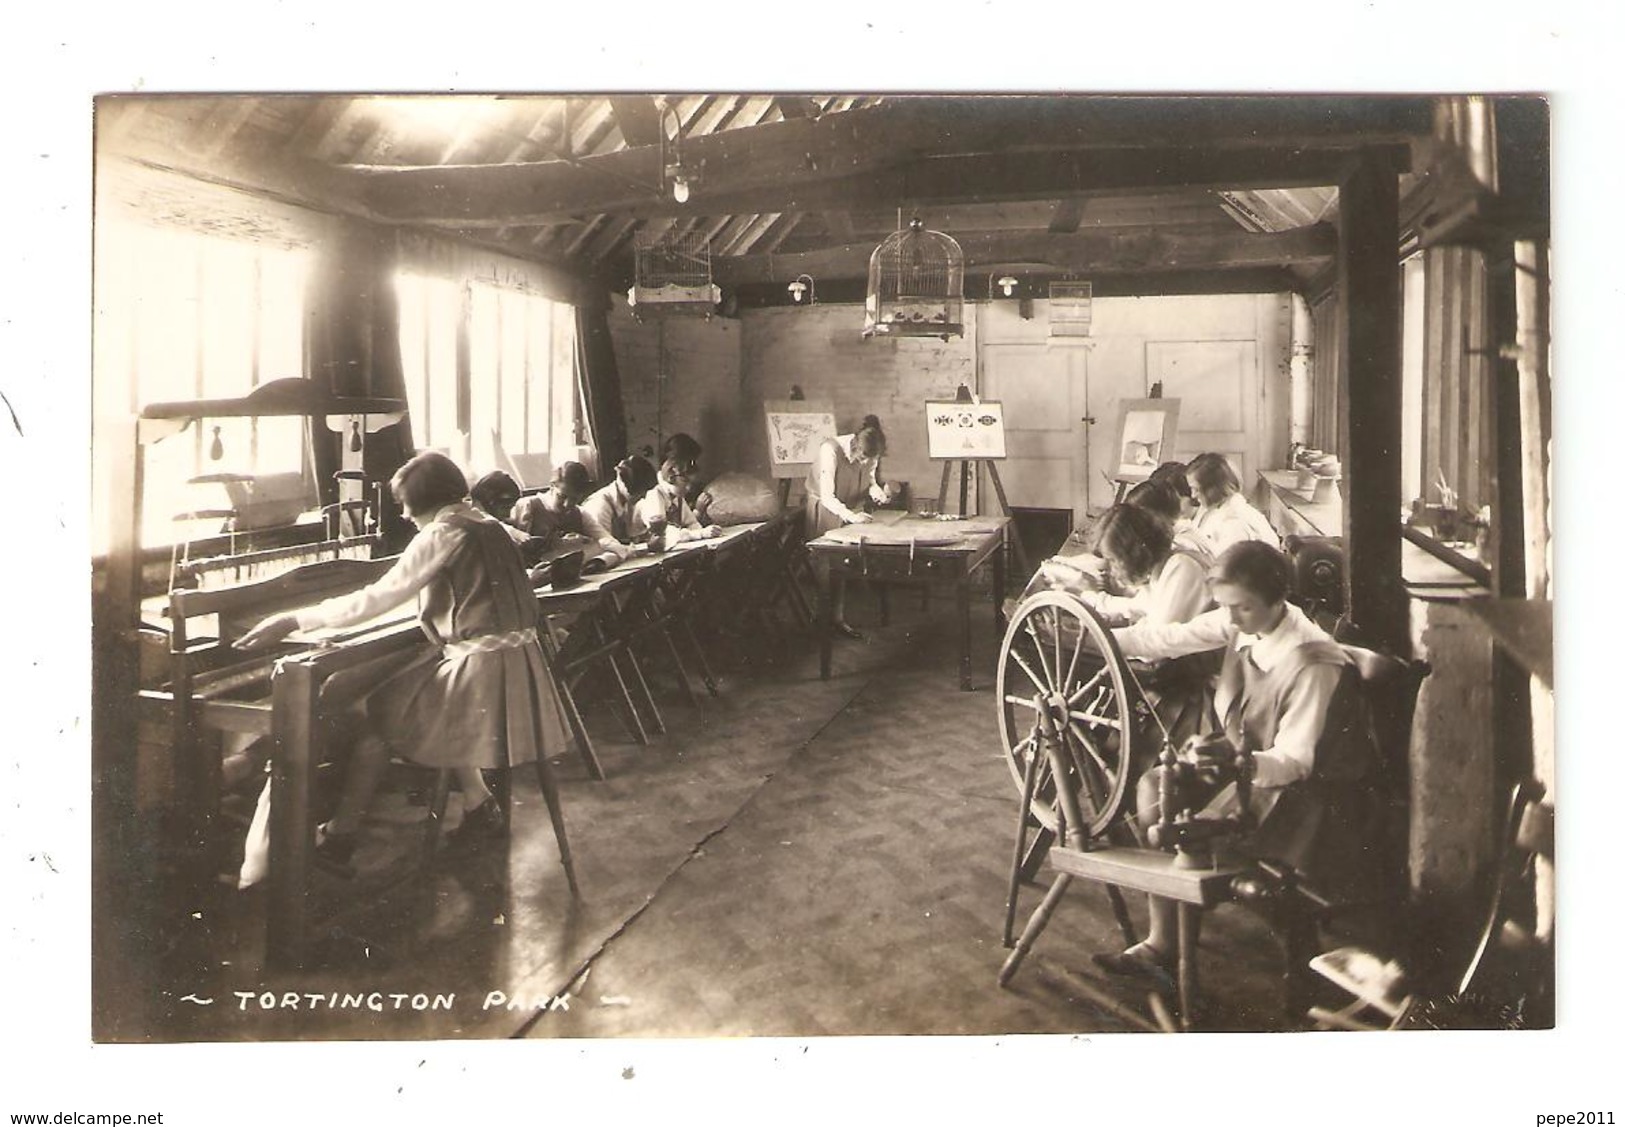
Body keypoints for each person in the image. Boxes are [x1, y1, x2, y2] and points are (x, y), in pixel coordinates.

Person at [233, 451, 572, 868]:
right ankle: (477, 803)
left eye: (407, 508)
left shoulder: (441, 533)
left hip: (483, 673)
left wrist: (295, 618)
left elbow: (380, 596)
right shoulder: (490, 526)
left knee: (380, 716)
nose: (407, 518)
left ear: (422, 500)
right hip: (521, 670)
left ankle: (341, 837)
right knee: (411, 696)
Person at [1091, 541, 1376, 987]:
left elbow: (1294, 761)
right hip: (1249, 774)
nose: (1230, 619)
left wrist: (1234, 759)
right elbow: (1174, 636)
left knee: (1180, 823)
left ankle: (1183, 935)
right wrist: (1095, 635)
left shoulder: (1313, 662)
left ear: (1279, 597)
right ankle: (1164, 940)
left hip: (1306, 798)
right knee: (1154, 789)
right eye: (1225, 607)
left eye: (1240, 608)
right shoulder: (1247, 623)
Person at [805, 414, 892, 638]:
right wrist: (851, 517)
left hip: (850, 509)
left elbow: (870, 480)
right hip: (825, 510)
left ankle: (837, 618)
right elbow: (827, 496)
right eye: (862, 457)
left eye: (870, 459)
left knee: (843, 565)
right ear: (854, 445)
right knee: (824, 566)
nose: (865, 463)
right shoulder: (830, 450)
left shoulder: (871, 455)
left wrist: (878, 493)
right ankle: (821, 623)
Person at [632, 433, 721, 548]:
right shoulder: (653, 493)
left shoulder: (676, 496)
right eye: (686, 481)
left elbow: (691, 522)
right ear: (671, 470)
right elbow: (664, 534)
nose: (689, 488)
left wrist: (707, 533)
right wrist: (700, 534)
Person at [1186, 452, 1281, 555]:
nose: (1193, 495)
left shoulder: (1234, 523)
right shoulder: (1220, 511)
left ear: (1213, 489)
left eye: (1196, 489)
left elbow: (1224, 565)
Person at [578, 454, 660, 564]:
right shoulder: (599, 505)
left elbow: (633, 538)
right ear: (625, 485)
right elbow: (606, 548)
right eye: (640, 492)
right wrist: (645, 547)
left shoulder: (627, 502)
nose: (643, 496)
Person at [511, 461, 595, 553]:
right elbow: (516, 547)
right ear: (552, 486)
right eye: (562, 496)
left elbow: (600, 538)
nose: (567, 505)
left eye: (574, 499)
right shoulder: (529, 505)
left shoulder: (578, 513)